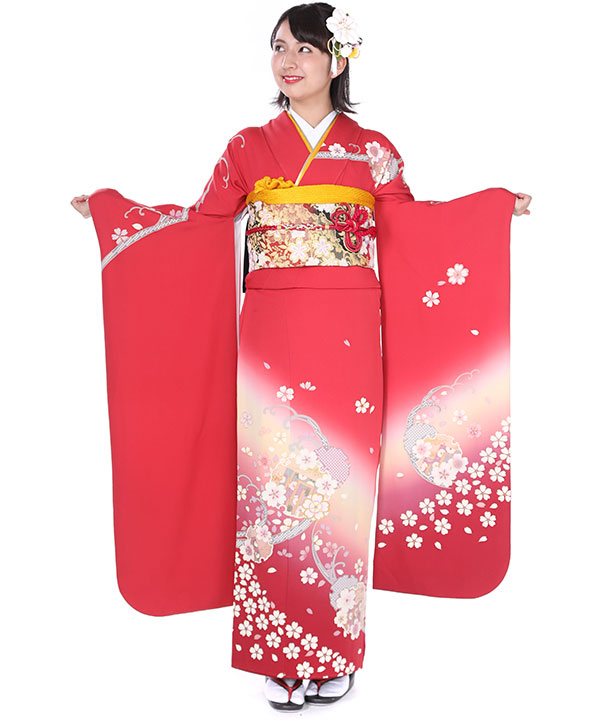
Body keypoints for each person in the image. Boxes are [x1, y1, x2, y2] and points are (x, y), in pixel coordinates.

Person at [72, 3, 531, 712]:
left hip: (349, 329)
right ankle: (276, 654)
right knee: (272, 485)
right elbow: (199, 228)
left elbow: (411, 225)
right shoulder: (247, 148)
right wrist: (114, 212)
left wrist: (490, 210)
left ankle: (334, 653)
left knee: (339, 486)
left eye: (305, 49)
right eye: (278, 47)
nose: (287, 61)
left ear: (337, 60)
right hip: (270, 329)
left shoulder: (372, 149)